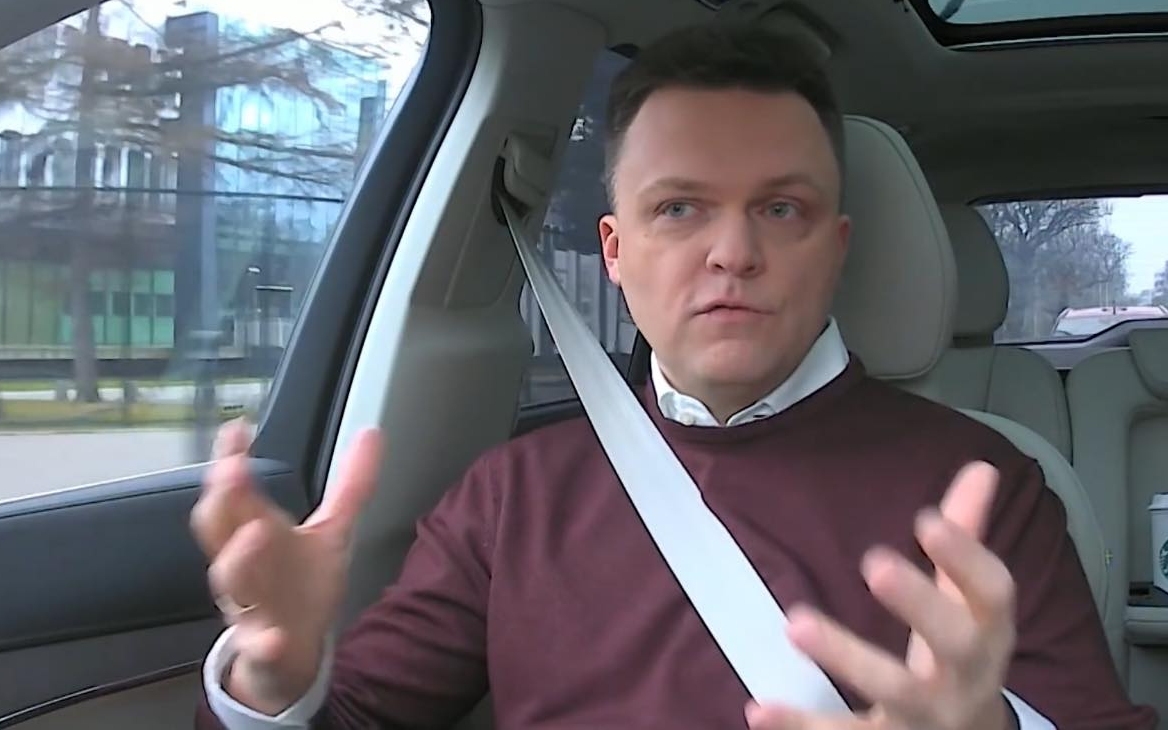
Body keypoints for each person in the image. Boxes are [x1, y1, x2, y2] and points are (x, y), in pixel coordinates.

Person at [191, 21, 1158, 730]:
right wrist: (273, 680)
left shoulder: (984, 490)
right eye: (680, 209)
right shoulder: (511, 497)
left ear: (835, 248)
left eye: (780, 209)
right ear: (615, 251)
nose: (732, 251)